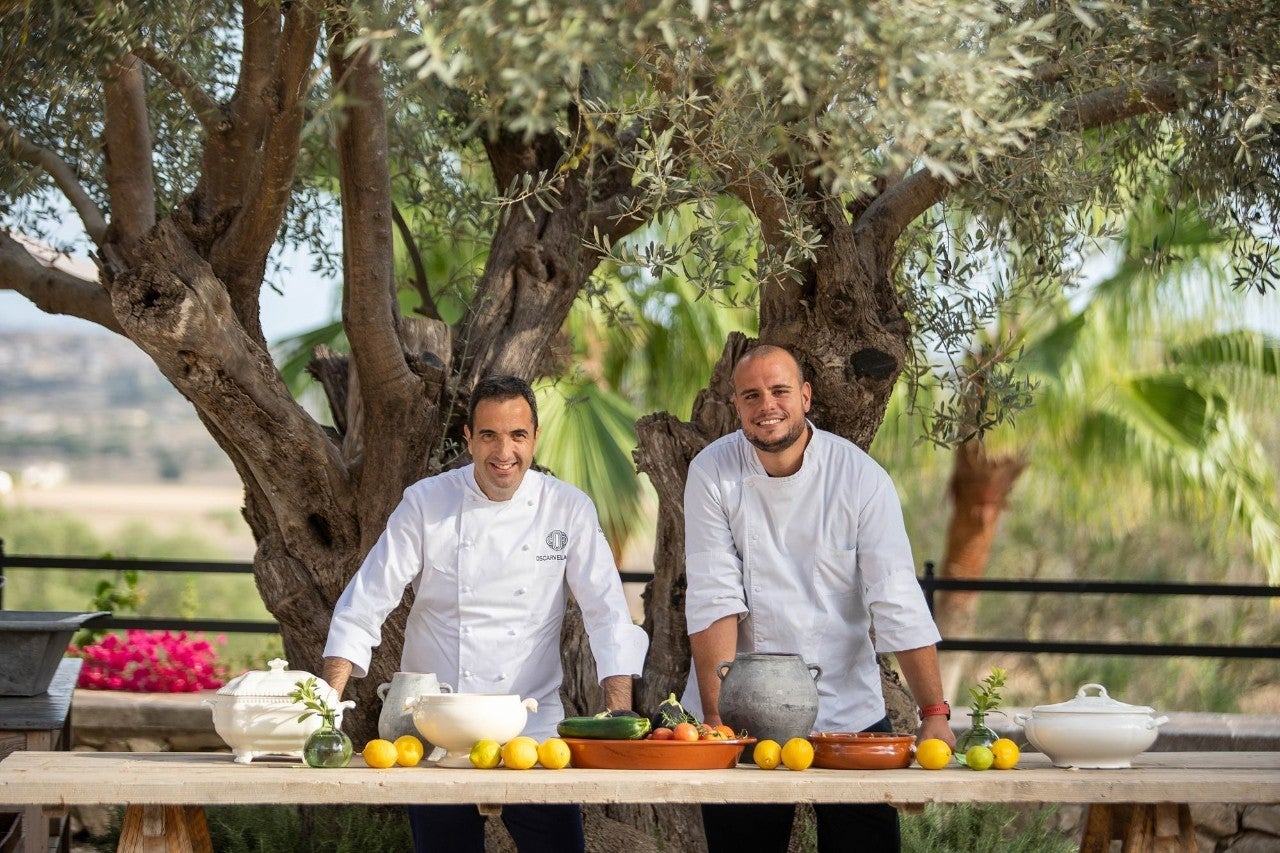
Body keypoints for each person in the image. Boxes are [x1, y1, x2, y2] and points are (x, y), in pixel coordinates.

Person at [322, 374, 648, 853]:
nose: (504, 451)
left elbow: (608, 614)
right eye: (489, 435)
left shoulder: (567, 509)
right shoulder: (426, 503)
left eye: (517, 435)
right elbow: (367, 600)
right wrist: (327, 707)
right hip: (437, 728)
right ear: (468, 439)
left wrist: (619, 713)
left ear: (535, 438)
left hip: (531, 727)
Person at [683, 344, 955, 853]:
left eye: (780, 390)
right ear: (736, 405)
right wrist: (718, 722)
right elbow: (713, 594)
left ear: (806, 396)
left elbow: (894, 596)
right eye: (752, 395)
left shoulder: (860, 478)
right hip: (744, 705)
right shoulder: (711, 472)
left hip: (846, 706)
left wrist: (934, 712)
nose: (768, 405)